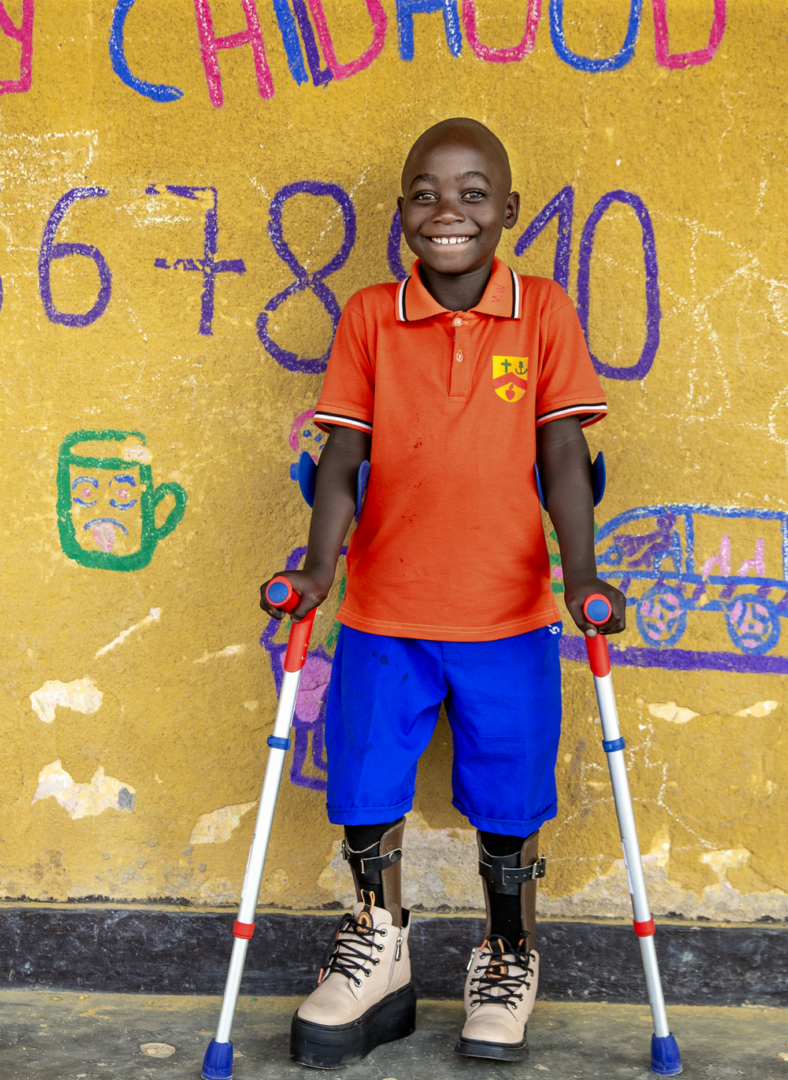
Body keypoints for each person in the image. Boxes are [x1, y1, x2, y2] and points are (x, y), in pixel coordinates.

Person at [260, 118, 626, 1068]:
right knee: (367, 781)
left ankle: (508, 952)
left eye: (473, 193)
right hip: (387, 607)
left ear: (507, 210)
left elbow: (562, 456)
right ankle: (378, 949)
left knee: (510, 789)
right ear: (401, 214)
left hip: (506, 614)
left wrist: (579, 571)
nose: (448, 211)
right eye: (425, 192)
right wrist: (317, 569)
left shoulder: (543, 312)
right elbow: (345, 455)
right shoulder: (370, 316)